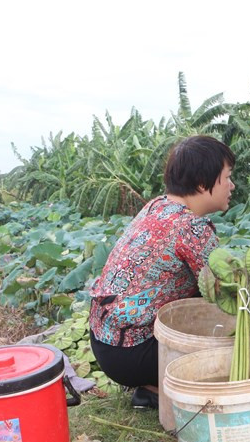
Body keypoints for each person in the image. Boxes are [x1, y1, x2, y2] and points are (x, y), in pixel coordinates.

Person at [88, 135, 236, 408]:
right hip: (133, 353)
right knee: (231, 330)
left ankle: (151, 390)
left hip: (105, 343)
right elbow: (230, 292)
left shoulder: (157, 206)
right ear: (204, 183)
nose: (232, 185)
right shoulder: (191, 228)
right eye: (227, 177)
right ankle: (165, 388)